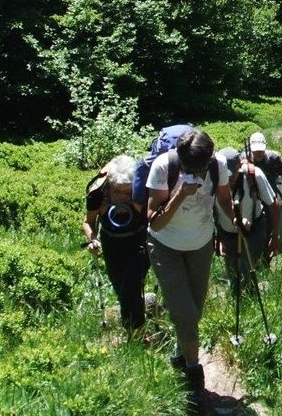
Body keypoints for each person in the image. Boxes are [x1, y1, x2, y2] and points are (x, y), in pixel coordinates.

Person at [146, 128, 233, 411]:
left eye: (199, 167)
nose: (194, 172)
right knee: (185, 314)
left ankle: (181, 351)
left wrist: (237, 223)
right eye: (189, 167)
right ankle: (194, 375)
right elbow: (154, 223)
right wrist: (180, 194)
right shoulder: (163, 167)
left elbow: (223, 198)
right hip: (165, 246)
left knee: (195, 310)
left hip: (201, 243)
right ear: (180, 159)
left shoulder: (218, 165)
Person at [83, 154, 150, 337]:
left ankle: (136, 334)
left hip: (139, 241)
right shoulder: (97, 194)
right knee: (120, 287)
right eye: (117, 191)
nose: (121, 197)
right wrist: (93, 240)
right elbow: (88, 222)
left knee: (131, 286)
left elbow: (152, 217)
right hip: (111, 242)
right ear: (109, 187)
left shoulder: (142, 191)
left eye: (127, 192)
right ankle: (136, 325)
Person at [213, 147, 278, 287]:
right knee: (233, 273)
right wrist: (218, 238)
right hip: (227, 233)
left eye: (232, 173)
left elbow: (273, 205)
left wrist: (274, 235)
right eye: (225, 174)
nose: (229, 178)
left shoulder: (254, 175)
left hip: (254, 229)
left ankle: (249, 295)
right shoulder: (212, 180)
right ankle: (239, 295)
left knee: (244, 269)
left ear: (239, 165)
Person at [248, 131, 282, 257]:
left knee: (271, 228)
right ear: (250, 149)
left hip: (270, 198)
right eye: (255, 151)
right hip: (251, 199)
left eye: (261, 150)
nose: (259, 153)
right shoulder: (244, 160)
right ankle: (254, 257)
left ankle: (268, 256)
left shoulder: (273, 159)